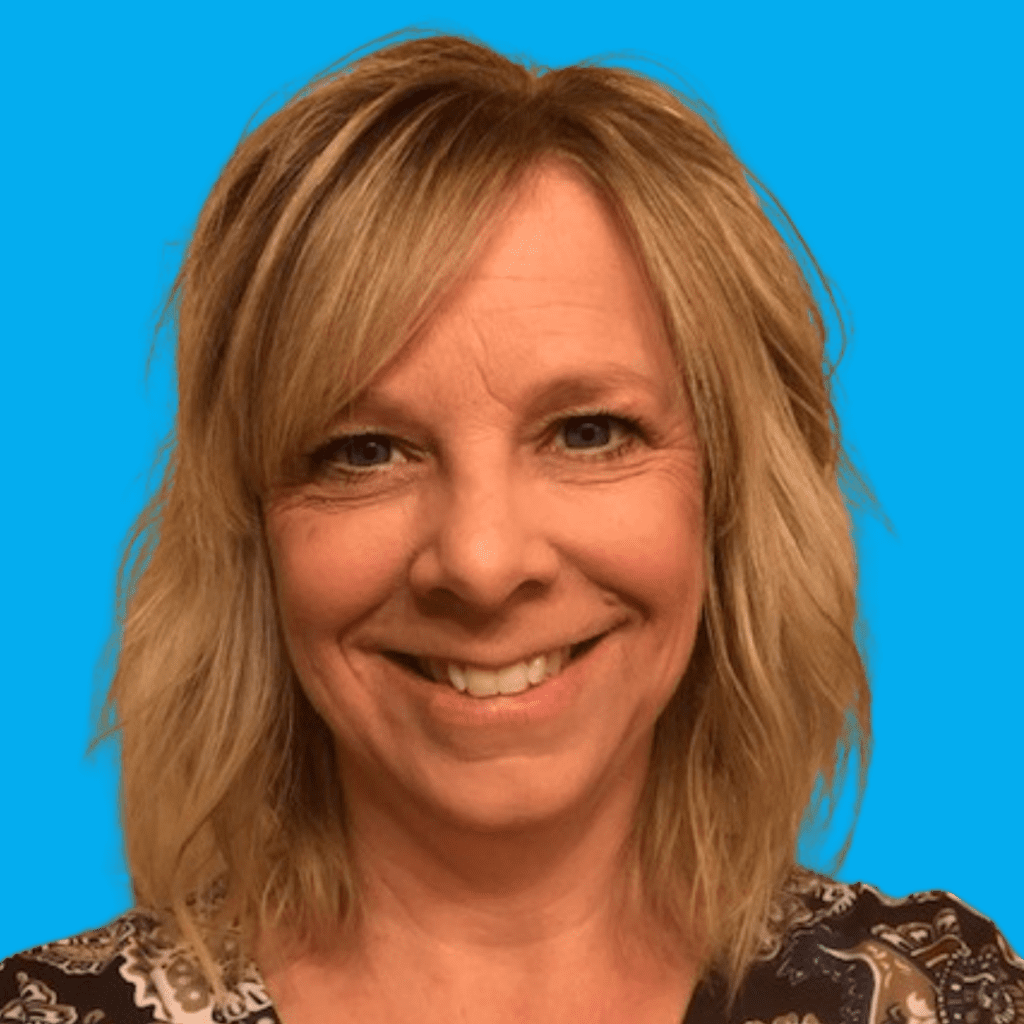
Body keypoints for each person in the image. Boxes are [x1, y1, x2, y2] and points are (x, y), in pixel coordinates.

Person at [1, 30, 1020, 1024]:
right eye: (364, 450)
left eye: (588, 432)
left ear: (729, 497)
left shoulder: (940, 997)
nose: (482, 564)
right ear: (252, 532)